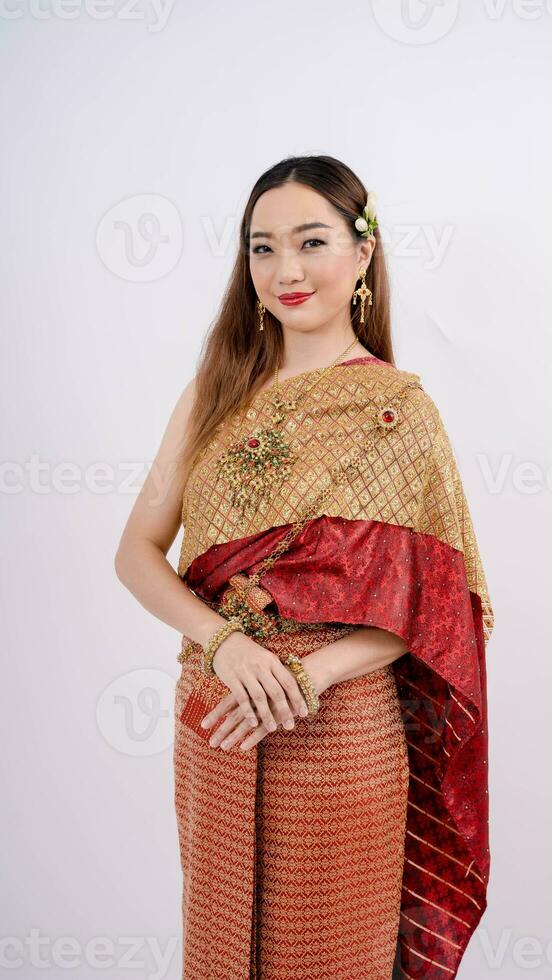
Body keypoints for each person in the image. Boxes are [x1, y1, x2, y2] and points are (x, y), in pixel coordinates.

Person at [115, 154, 494, 980]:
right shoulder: (212, 393)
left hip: (339, 729)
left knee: (332, 957)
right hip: (218, 715)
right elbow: (136, 555)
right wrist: (230, 647)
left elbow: (438, 606)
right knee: (218, 953)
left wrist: (308, 675)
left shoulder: (400, 412)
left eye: (310, 241)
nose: (285, 270)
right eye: (262, 247)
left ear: (362, 254)